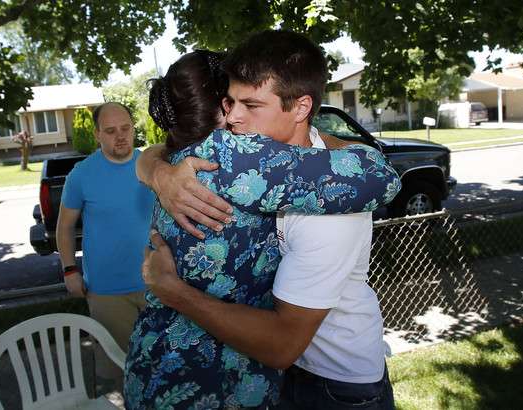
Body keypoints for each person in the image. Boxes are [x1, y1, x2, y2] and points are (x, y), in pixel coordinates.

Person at [125, 39, 399, 409]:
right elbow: (380, 176)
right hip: (220, 378)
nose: (237, 116)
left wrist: (155, 169)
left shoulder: (181, 157)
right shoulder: (233, 154)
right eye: (231, 103)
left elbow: (147, 155)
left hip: (326, 377)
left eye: (250, 104)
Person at [56, 102, 154, 395]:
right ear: (97, 134)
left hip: (158, 285)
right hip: (108, 292)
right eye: (110, 131)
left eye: (126, 128)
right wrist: (69, 269)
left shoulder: (151, 166)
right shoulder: (81, 175)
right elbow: (64, 227)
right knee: (122, 373)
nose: (120, 136)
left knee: (163, 368)